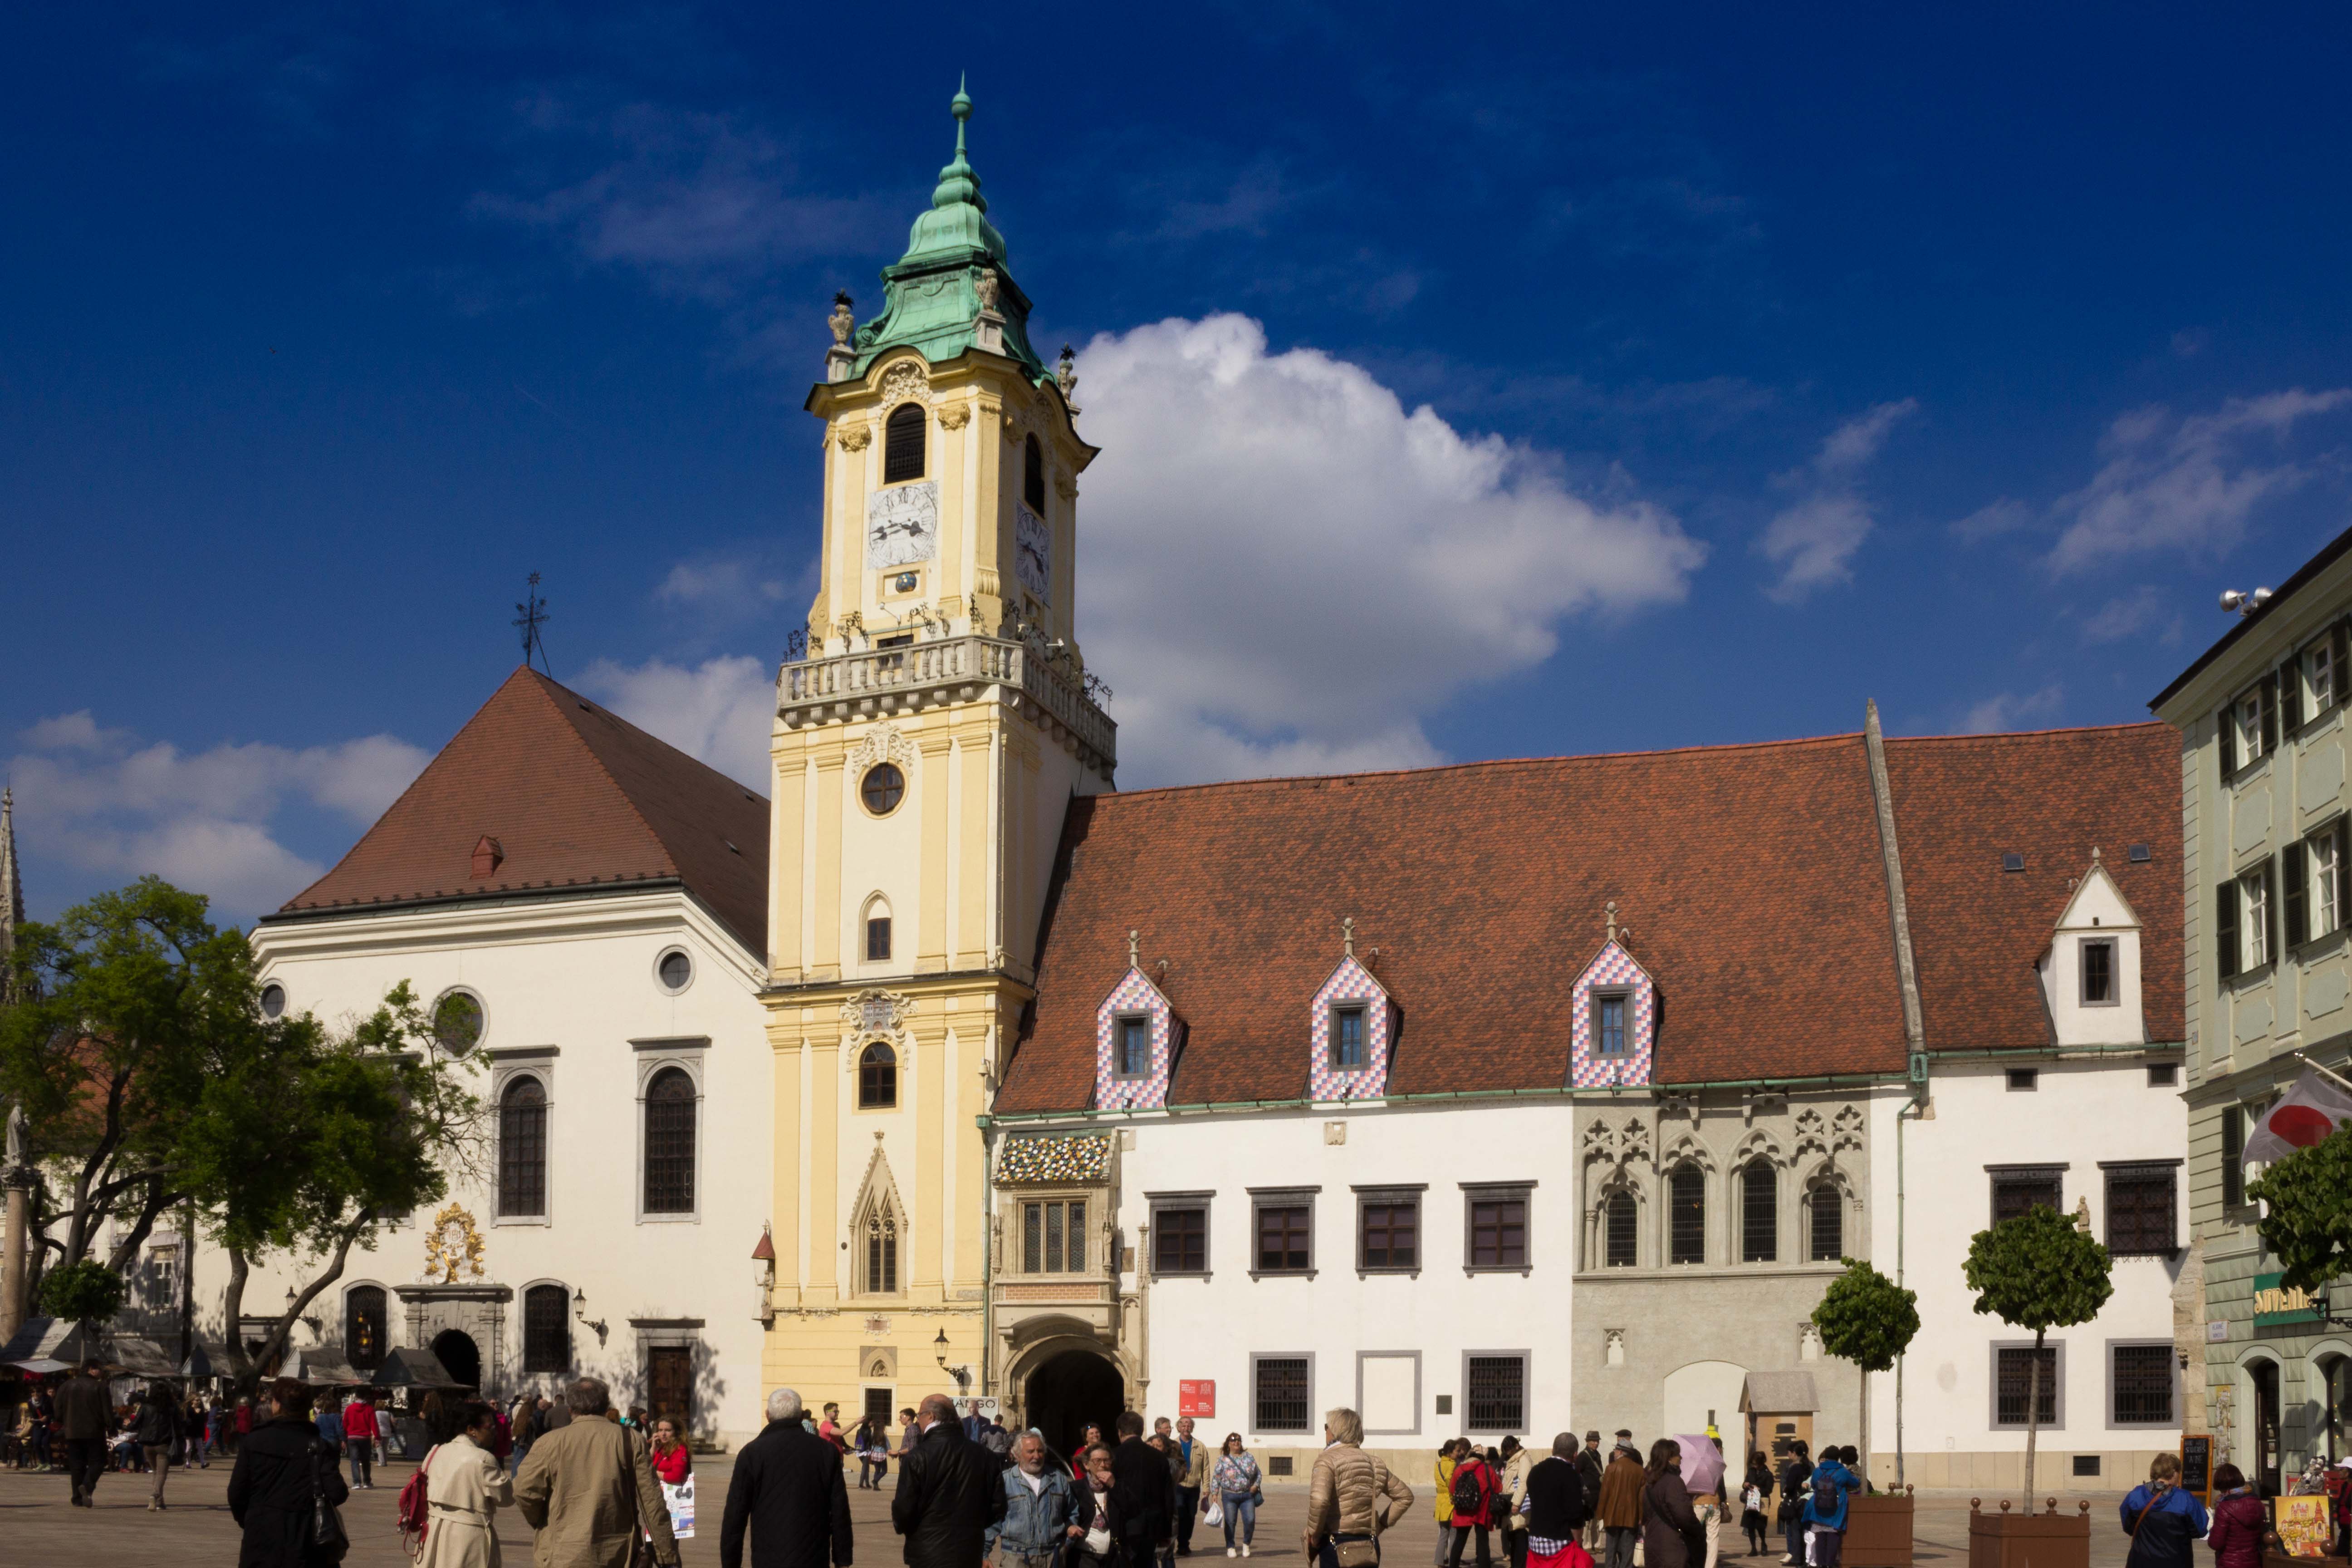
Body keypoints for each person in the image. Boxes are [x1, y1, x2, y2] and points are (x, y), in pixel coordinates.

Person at [515, 1376, 681, 1568]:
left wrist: (543, 1521)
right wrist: (667, 1556)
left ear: (571, 1409)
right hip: (617, 1554)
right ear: (606, 1406)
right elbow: (652, 1503)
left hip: (562, 1551)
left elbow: (524, 1491)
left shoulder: (549, 1442)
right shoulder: (631, 1440)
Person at [720, 1387, 855, 1568]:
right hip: (813, 1557)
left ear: (768, 1415)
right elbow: (840, 1511)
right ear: (801, 1416)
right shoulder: (826, 1451)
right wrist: (843, 1560)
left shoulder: (751, 1453)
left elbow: (735, 1516)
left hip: (768, 1558)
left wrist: (730, 1563)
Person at [228, 1379, 352, 1568]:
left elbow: (236, 1493)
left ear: (277, 1405)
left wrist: (251, 1519)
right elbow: (338, 1492)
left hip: (262, 1538)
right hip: (306, 1542)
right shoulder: (318, 1445)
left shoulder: (254, 1441)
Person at [894, 1392, 1007, 1568]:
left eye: (919, 1415)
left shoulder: (917, 1457)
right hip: (969, 1552)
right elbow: (998, 1506)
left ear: (931, 1416)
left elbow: (903, 1513)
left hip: (927, 1553)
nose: (918, 1421)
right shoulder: (985, 1456)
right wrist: (972, 1525)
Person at [1304, 1406, 1414, 1568]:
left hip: (1336, 1542)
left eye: (1326, 1427)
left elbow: (1320, 1501)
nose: (1326, 1431)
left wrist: (1315, 1535)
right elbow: (1405, 1496)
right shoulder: (1374, 1463)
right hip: (1368, 1543)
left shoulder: (1327, 1460)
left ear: (1334, 1430)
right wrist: (1380, 1525)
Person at [418, 1399, 514, 1568]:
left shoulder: (436, 1451)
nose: (495, 1432)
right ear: (471, 1430)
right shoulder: (483, 1459)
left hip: (433, 1531)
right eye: (490, 1427)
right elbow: (505, 1498)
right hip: (468, 1536)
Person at [986, 1429, 1078, 1568]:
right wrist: (984, 1553)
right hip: (1016, 1558)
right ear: (1017, 1455)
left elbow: (1071, 1511)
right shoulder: (1005, 1481)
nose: (1037, 1456)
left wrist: (1069, 1539)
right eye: (1031, 1452)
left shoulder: (1058, 1479)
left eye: (1040, 1451)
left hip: (1053, 1557)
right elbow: (993, 1520)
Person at [1113, 1411, 1178, 1568]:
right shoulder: (1159, 1457)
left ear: (1120, 1432)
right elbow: (1168, 1497)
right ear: (1142, 1431)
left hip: (1123, 1527)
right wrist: (1166, 1532)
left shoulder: (1114, 1456)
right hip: (1152, 1527)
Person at [2121, 1452, 2210, 1568]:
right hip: (2176, 1561)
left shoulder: (2136, 1495)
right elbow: (2200, 1529)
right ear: (2174, 1474)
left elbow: (2128, 1527)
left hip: (2141, 1561)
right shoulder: (2184, 1499)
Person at [1518, 1434, 1592, 1568]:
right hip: (1560, 1543)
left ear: (1553, 1450)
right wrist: (1578, 1542)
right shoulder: (1572, 1475)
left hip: (1535, 1541)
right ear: (1575, 1454)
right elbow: (1576, 1514)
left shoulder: (1535, 1471)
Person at [54, 1357, 112, 1508]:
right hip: (94, 1432)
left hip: (72, 1432)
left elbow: (58, 1412)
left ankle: (77, 1499)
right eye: (100, 1369)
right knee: (99, 1461)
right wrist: (111, 1427)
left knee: (77, 1465)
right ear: (92, 1370)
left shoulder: (66, 1386)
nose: (102, 1373)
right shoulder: (101, 1387)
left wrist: (65, 1422)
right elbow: (107, 1411)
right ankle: (87, 1485)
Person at [1642, 1441, 1704, 1568]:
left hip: (1653, 1543)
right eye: (1678, 1455)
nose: (1681, 1458)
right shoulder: (1673, 1482)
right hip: (1671, 1547)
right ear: (1669, 1458)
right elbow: (1684, 1515)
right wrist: (1699, 1530)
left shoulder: (1650, 1482)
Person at [1798, 1446, 1858, 1568]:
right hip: (1836, 1507)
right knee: (1833, 1535)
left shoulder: (1818, 1471)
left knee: (1820, 1535)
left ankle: (1821, 1564)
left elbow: (1813, 1485)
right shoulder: (1843, 1472)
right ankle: (1830, 1564)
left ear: (1826, 1457)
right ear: (1838, 1458)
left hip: (1819, 1506)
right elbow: (1856, 1483)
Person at [1597, 1437, 1647, 1568]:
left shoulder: (1611, 1468)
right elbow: (1641, 1497)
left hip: (1612, 1515)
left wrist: (1600, 1514)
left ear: (1620, 1452)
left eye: (1616, 1450)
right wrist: (1641, 1517)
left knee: (1611, 1550)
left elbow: (1605, 1493)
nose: (1614, 1452)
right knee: (1628, 1551)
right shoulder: (1640, 1470)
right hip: (1631, 1515)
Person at [1070, 1445, 1123, 1568]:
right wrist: (1070, 1527)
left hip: (1112, 1555)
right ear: (1086, 1465)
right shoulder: (1076, 1488)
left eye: (1107, 1460)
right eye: (1097, 1461)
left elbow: (1132, 1510)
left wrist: (1114, 1486)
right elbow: (1065, 1515)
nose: (1103, 1465)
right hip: (1086, 1554)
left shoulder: (1117, 1486)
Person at [1212, 1432, 1263, 1558]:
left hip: (1247, 1495)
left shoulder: (1249, 1457)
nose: (1236, 1442)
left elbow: (1258, 1474)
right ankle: (1230, 1546)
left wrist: (1256, 1485)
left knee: (1250, 1520)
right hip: (1229, 1496)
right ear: (1228, 1444)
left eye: (1239, 1440)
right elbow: (1217, 1477)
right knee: (1230, 1522)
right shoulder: (1223, 1459)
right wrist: (1215, 1493)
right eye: (1233, 1440)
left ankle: (1246, 1544)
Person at [1448, 1438, 1498, 1568]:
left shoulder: (1460, 1469)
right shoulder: (1487, 1469)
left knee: (1460, 1540)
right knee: (1483, 1541)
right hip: (1481, 1511)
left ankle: (1453, 1566)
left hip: (1463, 1510)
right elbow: (1498, 1487)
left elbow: (1452, 1489)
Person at [2205, 1463, 2264, 1568]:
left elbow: (2216, 1543)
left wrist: (2212, 1529)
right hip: (2254, 1562)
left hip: (2229, 1563)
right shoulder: (2257, 1504)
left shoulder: (2224, 1508)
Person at [135, 1382, 180, 1510]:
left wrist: (126, 1425)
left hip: (147, 1444)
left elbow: (135, 1423)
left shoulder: (145, 1407)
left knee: (155, 1472)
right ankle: (155, 1495)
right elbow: (179, 1425)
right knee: (161, 1474)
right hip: (164, 1444)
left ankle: (160, 1501)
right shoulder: (172, 1408)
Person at [1175, 1416, 1210, 1558]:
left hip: (1194, 1487)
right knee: (1180, 1514)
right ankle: (1182, 1544)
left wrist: (1206, 1488)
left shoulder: (1200, 1446)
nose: (1186, 1427)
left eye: (1189, 1425)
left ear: (1192, 1428)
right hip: (1178, 1486)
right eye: (1183, 1425)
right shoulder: (1173, 1445)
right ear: (1178, 1428)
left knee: (1190, 1517)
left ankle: (1185, 1542)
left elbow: (1206, 1468)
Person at [1775, 1443, 1812, 1568]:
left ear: (1794, 1454)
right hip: (1803, 1501)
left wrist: (1786, 1488)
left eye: (1789, 1452)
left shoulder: (1795, 1468)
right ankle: (1803, 1558)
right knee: (1802, 1531)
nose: (1788, 1455)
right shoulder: (1806, 1466)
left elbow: (1790, 1486)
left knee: (1794, 1531)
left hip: (1794, 1503)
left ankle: (1797, 1558)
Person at [1498, 1437, 1533, 1568]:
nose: (1508, 1452)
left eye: (1509, 1449)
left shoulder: (1524, 1459)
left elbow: (1523, 1483)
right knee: (1513, 1539)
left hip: (1519, 1507)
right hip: (1510, 1504)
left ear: (1516, 1446)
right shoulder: (1513, 1460)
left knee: (1520, 1539)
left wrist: (1516, 1503)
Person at [1740, 1453, 1774, 1558]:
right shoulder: (1751, 1471)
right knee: (1750, 1525)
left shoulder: (1768, 1474)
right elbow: (1745, 1483)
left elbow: (1769, 1489)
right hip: (1751, 1501)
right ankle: (1753, 1548)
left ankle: (1763, 1544)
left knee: (1761, 1526)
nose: (1754, 1466)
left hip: (1762, 1502)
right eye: (1753, 1464)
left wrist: (1759, 1489)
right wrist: (1745, 1485)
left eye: (1756, 1464)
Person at [1576, 1434, 1605, 1554]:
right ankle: (1587, 1545)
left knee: (1597, 1521)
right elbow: (1577, 1473)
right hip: (1588, 1494)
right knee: (1588, 1521)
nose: (1596, 1443)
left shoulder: (1597, 1455)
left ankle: (1596, 1544)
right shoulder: (1583, 1456)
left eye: (1597, 1441)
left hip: (1598, 1493)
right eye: (1593, 1441)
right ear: (1587, 1442)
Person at [1436, 1443, 1463, 1568]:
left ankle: (1440, 1562)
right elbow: (1449, 1480)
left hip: (1441, 1502)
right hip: (1450, 1502)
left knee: (1443, 1535)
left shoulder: (1438, 1464)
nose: (1459, 1453)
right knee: (1454, 1534)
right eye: (1457, 1451)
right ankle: (1453, 1562)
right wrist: (1454, 1496)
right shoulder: (1452, 1464)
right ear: (1450, 1452)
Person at [651, 1417, 691, 1485]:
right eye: (660, 1430)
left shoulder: (680, 1450)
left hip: (671, 1490)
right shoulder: (661, 1449)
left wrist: (654, 1473)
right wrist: (653, 1448)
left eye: (668, 1430)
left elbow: (677, 1476)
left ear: (676, 1432)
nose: (663, 1434)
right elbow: (645, 1465)